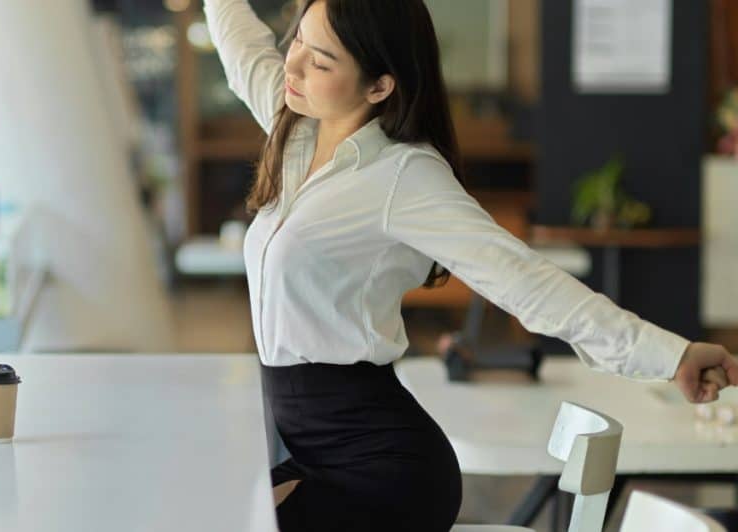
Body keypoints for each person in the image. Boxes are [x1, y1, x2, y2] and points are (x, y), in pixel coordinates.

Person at [204, 0, 737, 530]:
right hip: (306, 444)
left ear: (379, 86)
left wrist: (672, 355)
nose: (292, 64)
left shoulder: (403, 175)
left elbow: (527, 282)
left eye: (320, 61)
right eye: (297, 39)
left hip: (382, 471)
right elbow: (239, 45)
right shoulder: (294, 130)